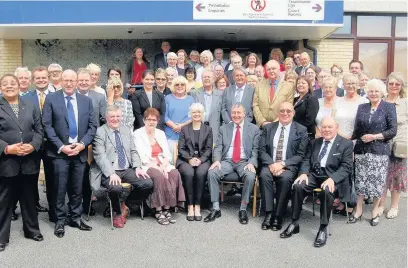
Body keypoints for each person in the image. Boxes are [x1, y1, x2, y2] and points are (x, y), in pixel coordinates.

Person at [280, 117, 353, 248]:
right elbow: (307, 160)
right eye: (324, 127)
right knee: (298, 186)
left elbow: (346, 167)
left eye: (330, 127)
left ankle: (323, 228)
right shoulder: (314, 142)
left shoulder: (345, 144)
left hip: (333, 176)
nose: (326, 130)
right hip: (314, 174)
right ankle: (294, 223)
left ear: (336, 127)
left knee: (327, 190)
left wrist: (332, 179)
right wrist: (304, 173)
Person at [42, 70, 97, 238]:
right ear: (61, 80)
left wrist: (82, 145)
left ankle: (75, 218)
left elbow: (92, 126)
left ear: (76, 81)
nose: (69, 83)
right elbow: (47, 126)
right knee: (59, 188)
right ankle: (60, 220)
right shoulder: (51, 99)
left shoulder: (86, 101)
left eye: (72, 80)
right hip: (59, 153)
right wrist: (60, 146)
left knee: (77, 188)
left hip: (79, 152)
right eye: (65, 80)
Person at [0, 74, 44, 252]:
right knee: (3, 201)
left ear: (19, 86)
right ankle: (1, 238)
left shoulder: (31, 105)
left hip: (28, 161)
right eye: (5, 84)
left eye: (13, 83)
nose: (9, 86)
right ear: (1, 88)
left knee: (29, 198)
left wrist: (33, 146)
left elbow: (39, 130)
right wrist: (6, 148)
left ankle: (32, 230)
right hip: (6, 161)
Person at [91, 105, 153, 228]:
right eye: (112, 116)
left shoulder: (126, 130)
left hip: (126, 169)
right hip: (108, 170)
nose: (115, 119)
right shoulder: (100, 132)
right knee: (115, 188)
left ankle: (125, 204)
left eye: (118, 116)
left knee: (147, 183)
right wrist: (111, 173)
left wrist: (137, 167)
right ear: (106, 118)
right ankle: (117, 213)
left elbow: (133, 150)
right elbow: (100, 156)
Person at [350, 79, 397, 226]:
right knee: (360, 181)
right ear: (367, 92)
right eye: (371, 91)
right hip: (361, 149)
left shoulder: (389, 107)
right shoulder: (362, 107)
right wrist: (349, 145)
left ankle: (375, 211)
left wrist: (374, 137)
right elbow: (357, 129)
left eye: (376, 91)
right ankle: (359, 209)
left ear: (382, 93)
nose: (374, 93)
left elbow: (392, 130)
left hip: (379, 150)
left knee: (377, 182)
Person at [205, 104, 260, 224]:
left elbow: (256, 149)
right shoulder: (224, 128)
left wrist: (252, 162)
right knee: (212, 173)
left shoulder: (253, 129)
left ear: (244, 114)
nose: (236, 115)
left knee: (250, 176)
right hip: (227, 160)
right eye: (234, 113)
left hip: (244, 161)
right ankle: (216, 208)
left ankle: (243, 209)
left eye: (238, 113)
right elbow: (218, 147)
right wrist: (217, 161)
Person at [258, 102, 308, 231]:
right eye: (282, 111)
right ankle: (269, 213)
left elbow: (301, 155)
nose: (285, 113)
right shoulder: (268, 128)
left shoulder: (301, 130)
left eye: (288, 111)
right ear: (277, 113)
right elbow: (262, 150)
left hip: (288, 166)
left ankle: (278, 216)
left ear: (293, 113)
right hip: (270, 164)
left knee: (285, 179)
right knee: (264, 175)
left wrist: (282, 164)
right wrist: (272, 164)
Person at [133, 108, 185, 225]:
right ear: (144, 120)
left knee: (174, 173)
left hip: (162, 163)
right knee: (158, 176)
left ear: (157, 121)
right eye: (149, 119)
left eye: (154, 120)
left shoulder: (160, 133)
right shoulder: (137, 134)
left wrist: (164, 165)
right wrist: (158, 168)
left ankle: (167, 208)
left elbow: (167, 154)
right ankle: (158, 210)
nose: (151, 122)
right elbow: (141, 156)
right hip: (147, 165)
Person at [21, 66, 55, 221]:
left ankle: (53, 209)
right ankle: (33, 205)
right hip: (33, 144)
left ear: (48, 78)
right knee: (31, 176)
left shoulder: (56, 95)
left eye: (44, 77)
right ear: (33, 80)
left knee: (52, 177)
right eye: (38, 78)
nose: (41, 80)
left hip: (52, 145)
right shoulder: (25, 98)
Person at [76, 68, 107, 216]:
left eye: (86, 80)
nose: (83, 83)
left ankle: (88, 204)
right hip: (74, 142)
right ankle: (74, 203)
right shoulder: (71, 96)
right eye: (80, 80)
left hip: (92, 140)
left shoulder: (99, 97)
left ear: (91, 81)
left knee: (89, 172)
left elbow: (103, 118)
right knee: (76, 174)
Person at [176, 103, 213, 221]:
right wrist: (189, 159)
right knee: (189, 173)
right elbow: (181, 148)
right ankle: (189, 206)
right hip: (185, 159)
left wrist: (200, 160)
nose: (196, 114)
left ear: (203, 114)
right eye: (194, 112)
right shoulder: (184, 129)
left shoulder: (208, 129)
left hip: (203, 159)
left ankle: (197, 206)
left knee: (201, 173)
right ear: (190, 114)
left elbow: (208, 149)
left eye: (199, 112)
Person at [379, 72, 407, 219]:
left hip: (400, 146)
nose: (394, 86)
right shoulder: (380, 101)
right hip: (381, 145)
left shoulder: (406, 103)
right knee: (382, 176)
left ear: (401, 86)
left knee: (397, 177)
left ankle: (394, 206)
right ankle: (381, 204)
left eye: (397, 84)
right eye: (391, 83)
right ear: (387, 85)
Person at [253, 60, 294, 128]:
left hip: (281, 126)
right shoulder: (259, 85)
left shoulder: (288, 86)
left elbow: (289, 106)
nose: (271, 71)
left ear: (279, 70)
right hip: (262, 127)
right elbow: (255, 105)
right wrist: (263, 122)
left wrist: (277, 122)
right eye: (268, 69)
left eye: (274, 68)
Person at [164, 76, 194, 161]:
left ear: (186, 86)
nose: (179, 86)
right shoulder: (167, 98)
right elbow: (164, 116)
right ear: (173, 86)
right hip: (170, 134)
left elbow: (193, 117)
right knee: (170, 161)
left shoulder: (190, 99)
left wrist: (181, 126)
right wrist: (174, 126)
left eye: (182, 84)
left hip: (186, 135)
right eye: (177, 84)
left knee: (184, 162)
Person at [334, 73, 368, 140]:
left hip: (357, 140)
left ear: (358, 85)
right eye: (348, 83)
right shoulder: (337, 101)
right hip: (338, 139)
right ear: (343, 85)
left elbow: (366, 124)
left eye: (353, 83)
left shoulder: (364, 102)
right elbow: (332, 122)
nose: (351, 86)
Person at [191, 70, 223, 139]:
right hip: (198, 128)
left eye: (209, 77)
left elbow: (222, 113)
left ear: (214, 79)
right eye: (204, 77)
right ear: (201, 79)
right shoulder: (194, 93)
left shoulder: (221, 94)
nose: (206, 79)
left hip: (215, 130)